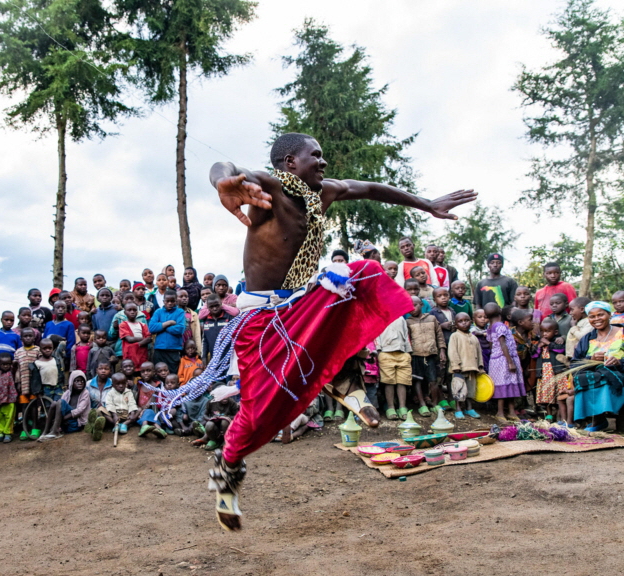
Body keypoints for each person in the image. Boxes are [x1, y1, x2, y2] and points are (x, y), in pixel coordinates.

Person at [195, 131, 473, 529]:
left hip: (300, 304)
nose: (323, 162)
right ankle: (228, 467)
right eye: (316, 155)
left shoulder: (323, 193)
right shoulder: (268, 187)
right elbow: (227, 167)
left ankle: (341, 376)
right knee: (258, 414)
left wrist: (427, 204)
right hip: (262, 321)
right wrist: (223, 180)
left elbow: (372, 188)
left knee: (363, 272)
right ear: (290, 162)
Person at [570, 301, 624, 431]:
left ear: (610, 315)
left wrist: (619, 362)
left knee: (607, 376)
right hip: (595, 372)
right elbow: (575, 363)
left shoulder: (622, 333)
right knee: (582, 378)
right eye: (592, 316)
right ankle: (598, 419)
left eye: (600, 315)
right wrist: (591, 359)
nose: (596, 319)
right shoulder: (587, 338)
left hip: (619, 372)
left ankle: (611, 420)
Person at [484, 302, 526, 422]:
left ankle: (511, 412)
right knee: (504, 385)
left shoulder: (490, 327)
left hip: (496, 359)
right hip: (505, 359)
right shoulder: (500, 326)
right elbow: (503, 344)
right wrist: (510, 362)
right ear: (499, 310)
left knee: (507, 384)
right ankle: (500, 412)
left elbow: (491, 345)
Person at [406, 296, 446, 416]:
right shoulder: (408, 322)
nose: (412, 308)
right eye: (409, 306)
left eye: (415, 305)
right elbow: (408, 339)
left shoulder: (432, 318)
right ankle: (422, 404)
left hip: (431, 354)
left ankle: (434, 404)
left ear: (422, 305)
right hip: (416, 355)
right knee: (417, 380)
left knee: (433, 380)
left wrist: (442, 351)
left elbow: (439, 336)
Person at [447, 312, 484, 419]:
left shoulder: (474, 337)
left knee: (471, 390)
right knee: (458, 389)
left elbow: (479, 352)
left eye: (466, 320)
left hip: (472, 368)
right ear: (456, 324)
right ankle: (458, 408)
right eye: (460, 321)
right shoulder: (455, 336)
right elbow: (452, 351)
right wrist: (455, 365)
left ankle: (469, 408)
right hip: (460, 369)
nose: (464, 323)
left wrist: (480, 366)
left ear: (471, 322)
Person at [375, 316, 412, 419]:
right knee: (389, 382)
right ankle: (391, 407)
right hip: (386, 352)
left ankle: (402, 407)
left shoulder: (401, 319)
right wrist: (379, 351)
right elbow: (376, 335)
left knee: (402, 381)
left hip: (402, 353)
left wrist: (408, 351)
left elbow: (406, 335)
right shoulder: (380, 318)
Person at [534, 318, 570, 421]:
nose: (544, 334)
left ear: (556, 332)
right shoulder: (540, 342)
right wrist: (539, 347)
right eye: (542, 331)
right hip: (544, 372)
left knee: (559, 392)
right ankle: (549, 415)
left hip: (557, 372)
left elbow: (561, 349)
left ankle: (559, 414)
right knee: (546, 394)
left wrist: (549, 343)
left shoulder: (558, 340)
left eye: (547, 331)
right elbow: (534, 355)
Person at [39, 370, 90, 441]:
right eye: (77, 381)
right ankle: (46, 431)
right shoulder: (67, 393)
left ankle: (55, 432)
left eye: (82, 381)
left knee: (60, 402)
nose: (80, 383)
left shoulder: (85, 393)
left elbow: (79, 411)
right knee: (54, 403)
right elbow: (59, 406)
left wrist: (62, 419)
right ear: (71, 382)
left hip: (76, 424)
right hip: (66, 423)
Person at [91, 372, 138, 440]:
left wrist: (132, 413)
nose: (121, 386)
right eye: (118, 384)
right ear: (113, 385)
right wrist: (114, 415)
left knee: (139, 409)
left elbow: (132, 403)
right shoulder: (110, 393)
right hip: (115, 415)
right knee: (100, 409)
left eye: (123, 383)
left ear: (126, 383)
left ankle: (125, 424)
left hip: (126, 415)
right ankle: (116, 424)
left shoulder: (129, 392)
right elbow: (110, 404)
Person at [13, 327, 41, 438]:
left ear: (34, 337)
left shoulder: (38, 350)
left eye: (30, 336)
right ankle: (25, 429)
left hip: (34, 384)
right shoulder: (18, 352)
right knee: (24, 406)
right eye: (25, 336)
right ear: (21, 338)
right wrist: (18, 383)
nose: (28, 338)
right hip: (23, 384)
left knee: (33, 406)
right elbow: (17, 370)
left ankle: (35, 428)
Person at [148, 290, 185, 374]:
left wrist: (161, 326)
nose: (170, 303)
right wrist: (168, 323)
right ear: (163, 301)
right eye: (167, 301)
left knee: (173, 374)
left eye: (172, 301)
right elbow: (151, 328)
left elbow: (180, 329)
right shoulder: (158, 312)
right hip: (159, 349)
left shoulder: (180, 312)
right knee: (159, 373)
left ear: (176, 301)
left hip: (174, 349)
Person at [199, 294, 235, 366]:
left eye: (217, 305)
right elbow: (205, 340)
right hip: (214, 360)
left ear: (221, 304)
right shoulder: (206, 320)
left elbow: (235, 337)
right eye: (211, 307)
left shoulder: (229, 317)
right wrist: (204, 357)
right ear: (207, 307)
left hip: (229, 359)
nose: (215, 309)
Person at [0, 353, 18, 443]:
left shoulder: (11, 373)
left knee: (9, 417)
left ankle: (8, 433)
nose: (6, 366)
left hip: (9, 400)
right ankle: (0, 432)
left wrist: (14, 364)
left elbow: (15, 367)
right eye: (3, 364)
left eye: (8, 364)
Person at [119, 302, 151, 369]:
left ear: (137, 312)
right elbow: (129, 339)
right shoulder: (123, 325)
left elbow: (149, 338)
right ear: (125, 312)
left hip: (142, 355)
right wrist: (142, 341)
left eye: (134, 310)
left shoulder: (143, 325)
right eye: (129, 310)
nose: (132, 312)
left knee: (142, 372)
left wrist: (141, 342)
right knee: (130, 372)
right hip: (130, 357)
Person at [44, 300, 75, 368]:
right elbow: (44, 340)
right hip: (48, 354)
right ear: (53, 310)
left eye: (63, 308)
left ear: (66, 310)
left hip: (61, 356)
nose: (60, 309)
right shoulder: (48, 324)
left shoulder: (69, 324)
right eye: (58, 307)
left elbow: (71, 342)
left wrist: (67, 356)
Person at [32, 338, 64, 404]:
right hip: (46, 388)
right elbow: (36, 379)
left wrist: (62, 384)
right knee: (47, 405)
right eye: (45, 348)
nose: (47, 350)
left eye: (50, 348)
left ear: (53, 348)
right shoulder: (37, 363)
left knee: (59, 404)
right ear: (40, 349)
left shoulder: (56, 360)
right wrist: (38, 392)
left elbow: (61, 373)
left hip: (57, 387)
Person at [177, 289, 202, 356]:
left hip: (190, 346)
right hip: (177, 346)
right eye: (181, 296)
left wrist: (198, 351)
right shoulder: (173, 313)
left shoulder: (193, 314)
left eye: (186, 296)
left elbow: (197, 334)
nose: (184, 298)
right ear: (176, 299)